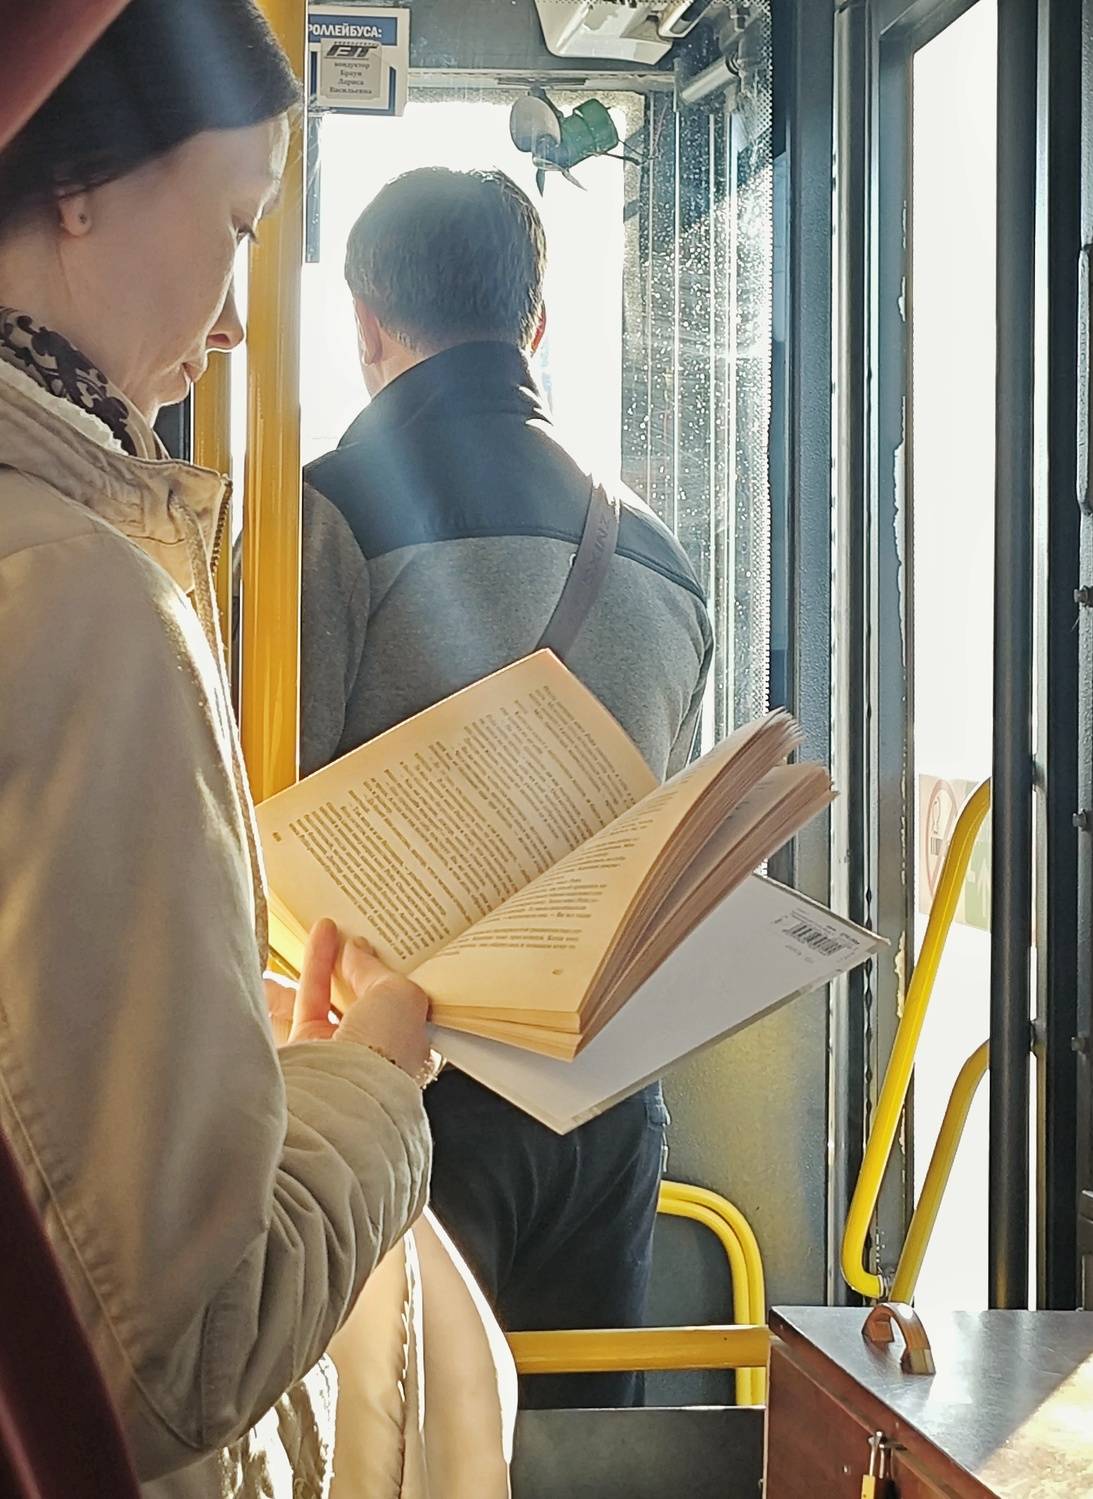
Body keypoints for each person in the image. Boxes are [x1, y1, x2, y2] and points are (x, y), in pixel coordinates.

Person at [0, 7, 513, 1497]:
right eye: (237, 222)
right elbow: (176, 1350)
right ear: (80, 184)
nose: (233, 321)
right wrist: (374, 1077)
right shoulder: (83, 599)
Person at [301, 167, 714, 1409]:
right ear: (536, 324)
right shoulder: (663, 560)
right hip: (608, 1104)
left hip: (405, 1093)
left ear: (365, 323)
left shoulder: (320, 516)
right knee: (578, 1448)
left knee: (405, 1443)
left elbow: (261, 815)